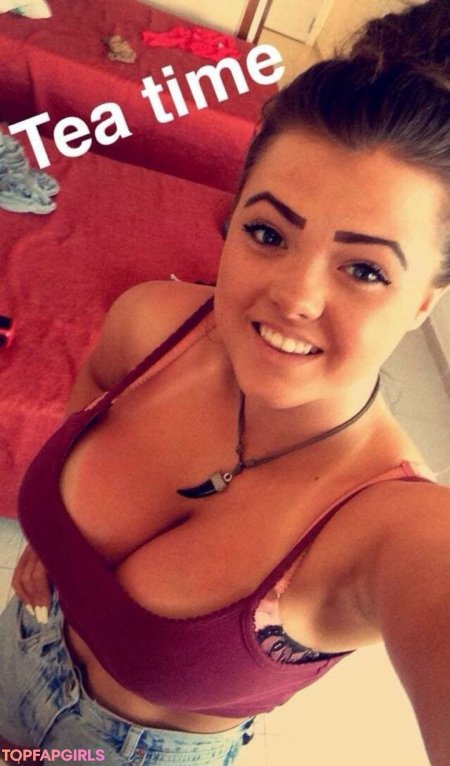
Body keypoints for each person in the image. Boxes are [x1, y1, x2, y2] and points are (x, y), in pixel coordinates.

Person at [1, 0, 449, 763]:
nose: (295, 296)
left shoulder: (391, 529)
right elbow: (94, 383)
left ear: (421, 304)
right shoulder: (151, 323)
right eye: (268, 233)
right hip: (20, 651)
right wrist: (53, 545)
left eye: (366, 269)